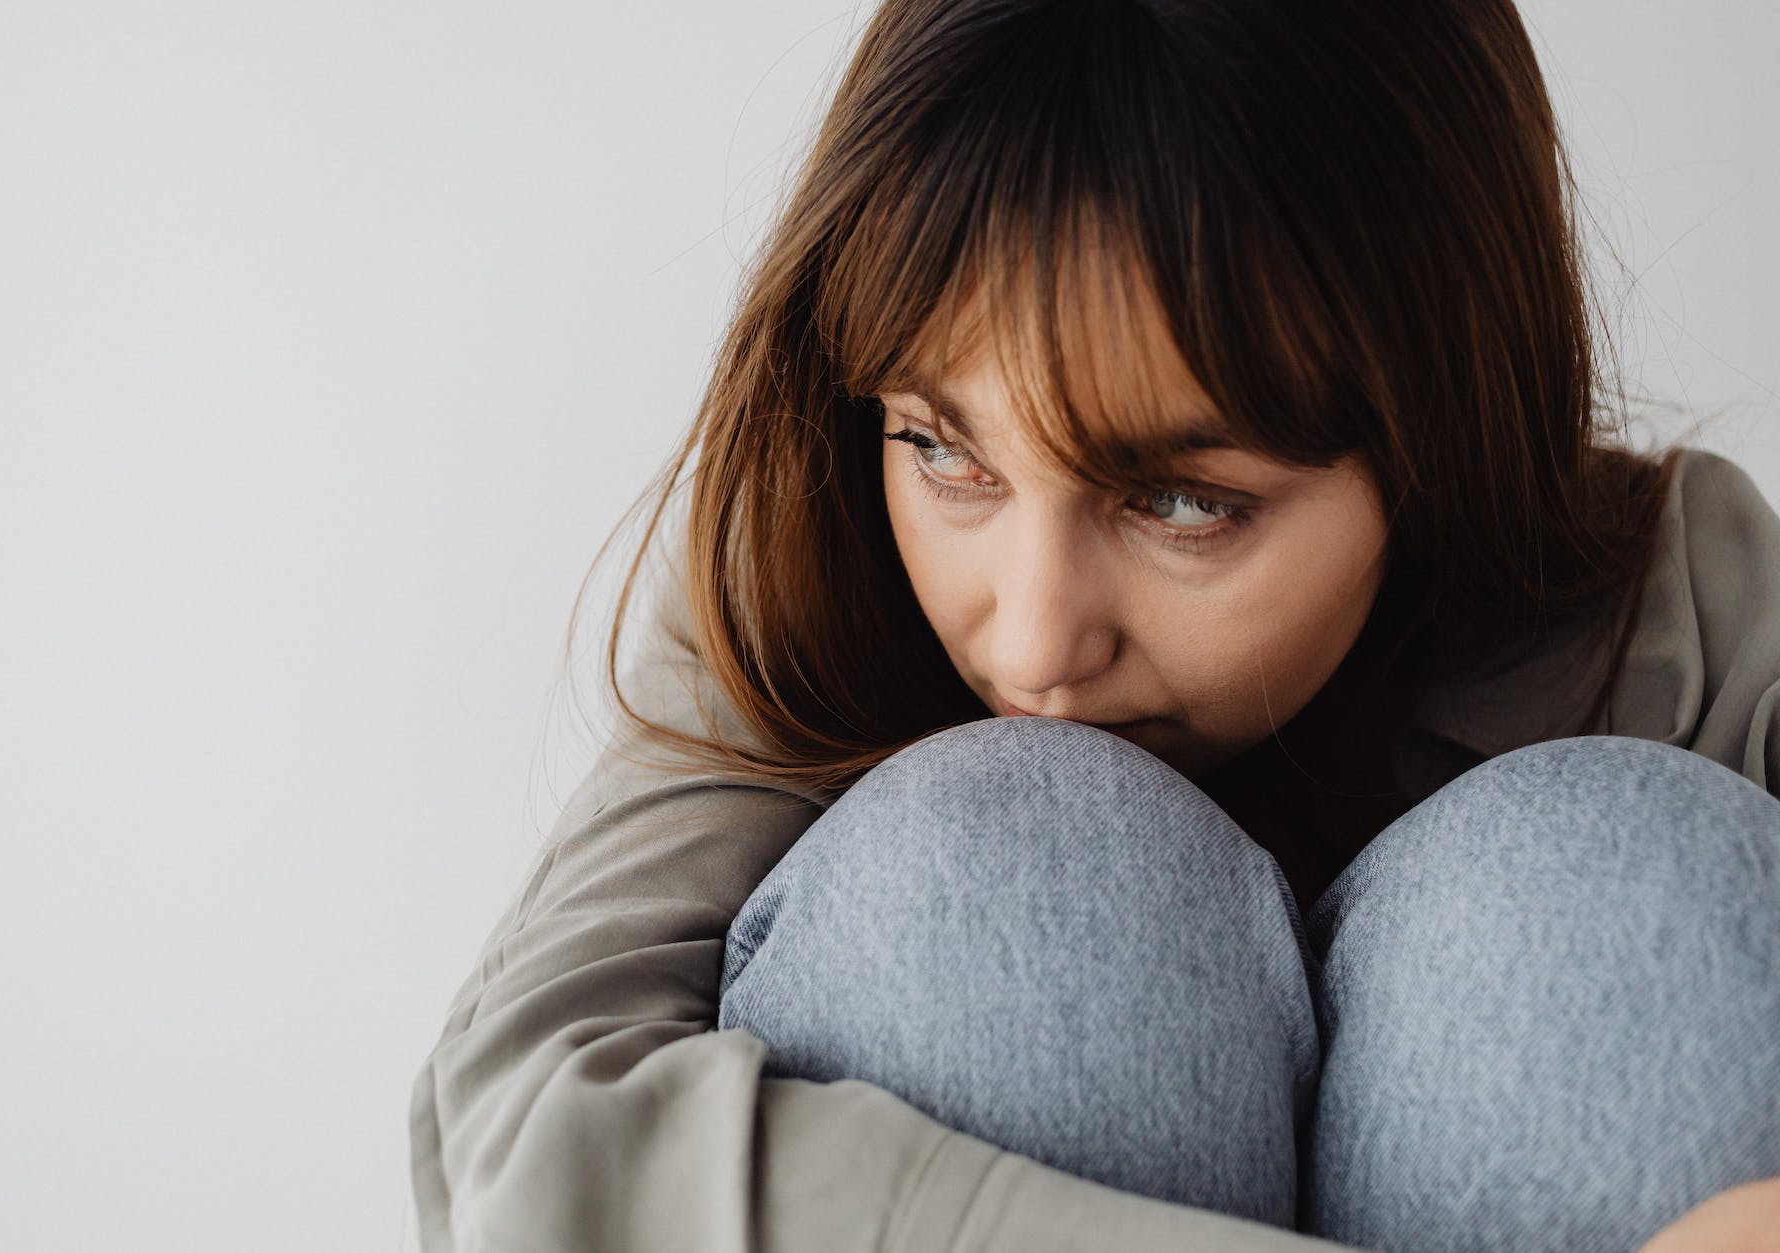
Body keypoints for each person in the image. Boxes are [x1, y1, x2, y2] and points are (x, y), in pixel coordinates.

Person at [409, 1, 1780, 1249]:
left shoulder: (1678, 611)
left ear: (1439, 436)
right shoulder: (808, 570)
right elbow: (532, 1145)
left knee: (1606, 876)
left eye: (1182, 501)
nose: (1032, 645)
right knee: (1007, 866)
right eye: (946, 452)